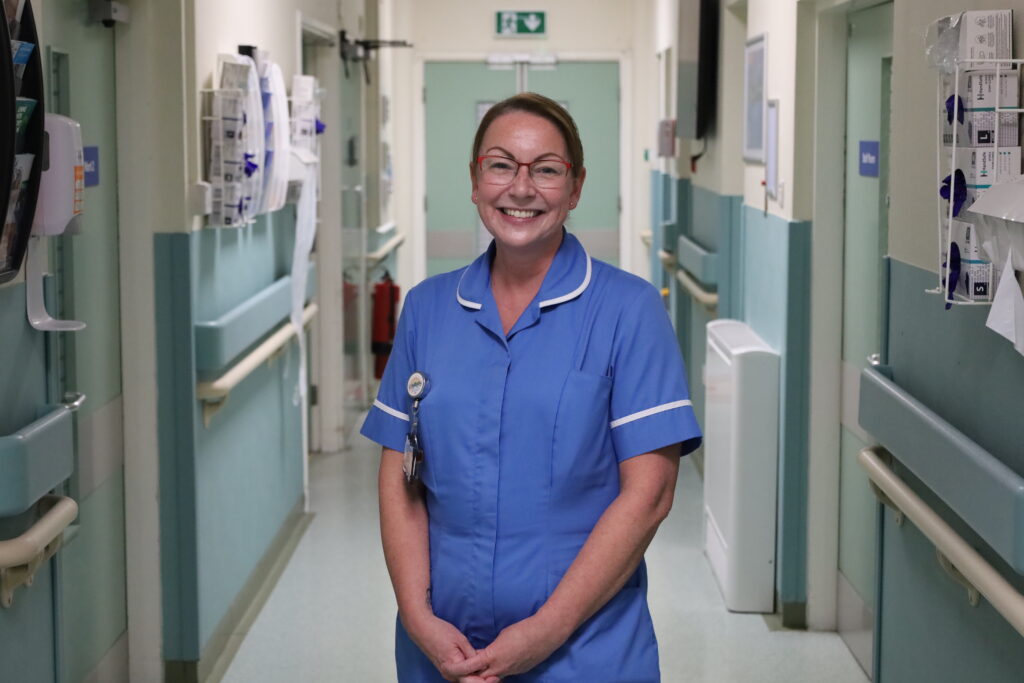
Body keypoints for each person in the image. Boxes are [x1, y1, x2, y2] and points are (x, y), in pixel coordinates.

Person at [361, 92, 702, 682]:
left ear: (575, 188)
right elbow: (401, 478)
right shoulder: (427, 309)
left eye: (546, 169)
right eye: (500, 165)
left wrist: (544, 632)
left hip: (583, 651)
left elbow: (648, 496)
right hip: (443, 654)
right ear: (474, 181)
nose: (521, 189)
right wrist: (418, 619)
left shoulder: (628, 311)